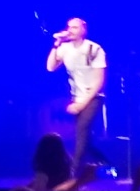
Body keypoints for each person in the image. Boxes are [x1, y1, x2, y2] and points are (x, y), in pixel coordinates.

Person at [46, 17, 108, 174]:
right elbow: (50, 67)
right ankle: (104, 164)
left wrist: (82, 104)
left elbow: (99, 81)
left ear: (83, 30)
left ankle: (73, 171)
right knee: (84, 137)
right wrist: (56, 44)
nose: (70, 30)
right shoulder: (65, 48)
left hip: (93, 96)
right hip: (76, 97)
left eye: (74, 27)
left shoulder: (94, 49)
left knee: (82, 129)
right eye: (69, 27)